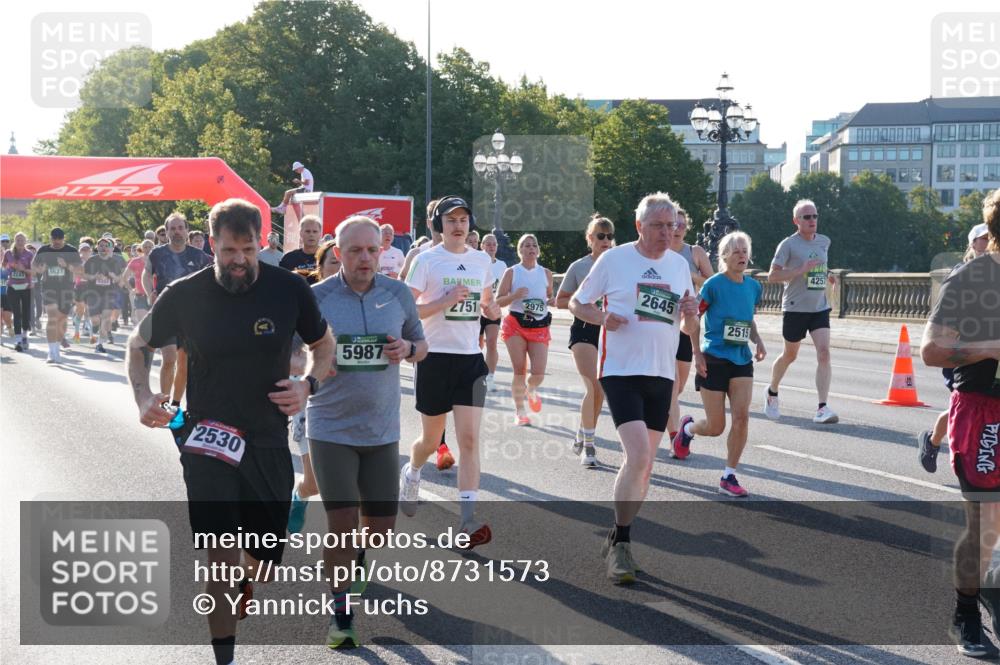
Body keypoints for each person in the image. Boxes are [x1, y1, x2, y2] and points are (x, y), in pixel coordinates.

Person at [128, 198, 334, 665]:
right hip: (208, 437)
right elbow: (137, 343)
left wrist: (309, 385)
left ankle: (248, 571)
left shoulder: (289, 290)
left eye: (247, 249)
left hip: (266, 437)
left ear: (261, 242)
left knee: (263, 554)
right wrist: (143, 397)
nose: (238, 260)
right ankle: (225, 658)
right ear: (212, 245)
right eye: (227, 250)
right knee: (218, 557)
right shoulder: (184, 293)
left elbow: (325, 344)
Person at [307, 216, 427, 648]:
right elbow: (289, 352)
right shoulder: (316, 298)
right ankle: (340, 616)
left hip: (381, 429)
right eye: (355, 250)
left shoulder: (397, 294)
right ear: (337, 253)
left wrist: (407, 349)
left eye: (371, 250)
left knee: (378, 530)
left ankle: (357, 556)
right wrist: (317, 363)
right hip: (330, 426)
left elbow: (421, 343)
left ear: (382, 252)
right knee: (340, 524)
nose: (364, 258)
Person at [570, 192, 699, 584]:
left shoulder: (679, 266)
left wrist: (691, 318)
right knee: (639, 455)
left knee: (644, 467)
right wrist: (602, 316)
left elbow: (688, 327)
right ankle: (622, 545)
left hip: (662, 374)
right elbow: (577, 303)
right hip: (621, 371)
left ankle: (616, 538)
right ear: (640, 226)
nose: (667, 232)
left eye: (672, 225)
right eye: (659, 225)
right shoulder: (615, 259)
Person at [920, 189, 1000, 658]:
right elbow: (931, 352)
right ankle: (964, 615)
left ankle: (989, 584)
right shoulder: (970, 280)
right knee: (984, 521)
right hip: (980, 409)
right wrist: (989, 348)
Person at [399, 196, 500, 547]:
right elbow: (407, 310)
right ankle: (412, 472)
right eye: (451, 219)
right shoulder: (426, 260)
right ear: (437, 225)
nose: (458, 225)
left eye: (463, 219)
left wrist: (491, 308)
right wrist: (444, 301)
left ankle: (468, 521)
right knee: (430, 441)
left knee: (469, 440)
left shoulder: (481, 260)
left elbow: (487, 303)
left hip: (470, 359)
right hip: (434, 359)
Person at [671, 232, 765, 495]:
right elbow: (693, 319)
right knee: (715, 427)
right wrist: (697, 354)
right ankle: (687, 429)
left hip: (741, 359)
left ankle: (729, 476)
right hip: (714, 357)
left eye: (744, 251)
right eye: (736, 251)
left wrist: (758, 340)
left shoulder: (754, 287)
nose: (742, 256)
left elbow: (747, 319)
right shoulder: (713, 285)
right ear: (724, 256)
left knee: (742, 418)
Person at [918, 221, 992, 473]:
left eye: (990, 236)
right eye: (982, 238)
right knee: (959, 406)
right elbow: (937, 338)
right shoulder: (963, 273)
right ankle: (932, 440)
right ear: (973, 244)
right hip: (961, 358)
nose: (988, 241)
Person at [765, 199, 838, 424]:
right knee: (790, 355)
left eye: (815, 216)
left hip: (819, 307)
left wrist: (827, 275)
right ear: (796, 221)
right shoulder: (788, 245)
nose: (812, 220)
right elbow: (772, 276)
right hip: (795, 308)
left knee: (824, 353)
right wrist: (800, 270)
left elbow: (819, 265)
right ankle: (772, 391)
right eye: (807, 217)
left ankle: (822, 407)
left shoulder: (824, 241)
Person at [286, 239, 341, 535]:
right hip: (312, 397)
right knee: (315, 482)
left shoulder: (371, 301)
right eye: (334, 262)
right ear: (319, 269)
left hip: (355, 400)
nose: (341, 268)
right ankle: (301, 495)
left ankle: (349, 553)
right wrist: (309, 365)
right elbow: (287, 353)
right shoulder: (307, 303)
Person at [399, 201, 454, 468]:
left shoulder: (463, 255)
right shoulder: (418, 254)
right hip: (425, 338)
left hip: (457, 341)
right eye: (439, 219)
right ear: (432, 223)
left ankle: (440, 444)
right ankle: (439, 446)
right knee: (435, 406)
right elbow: (403, 290)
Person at [556, 215, 615, 466]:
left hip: (609, 333)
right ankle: (589, 447)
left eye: (609, 236)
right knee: (593, 385)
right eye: (600, 236)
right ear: (589, 239)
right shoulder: (579, 266)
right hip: (583, 330)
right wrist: (586, 305)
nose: (605, 240)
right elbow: (560, 300)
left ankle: (583, 431)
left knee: (601, 390)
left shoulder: (618, 265)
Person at [143, 213, 213, 405]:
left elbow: (212, 283)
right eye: (172, 229)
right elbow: (146, 274)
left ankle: (175, 404)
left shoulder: (200, 257)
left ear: (187, 230)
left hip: (191, 318)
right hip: (165, 313)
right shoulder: (157, 253)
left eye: (180, 228)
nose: (177, 232)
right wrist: (150, 292)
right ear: (166, 232)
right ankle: (164, 402)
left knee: (184, 364)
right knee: (169, 359)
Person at [667, 208, 714, 451]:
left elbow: (713, 281)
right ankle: (676, 438)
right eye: (674, 224)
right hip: (663, 322)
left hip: (689, 322)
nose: (678, 229)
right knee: (671, 384)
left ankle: (663, 414)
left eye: (682, 225)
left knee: (679, 386)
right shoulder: (659, 252)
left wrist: (691, 275)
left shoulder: (694, 252)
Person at [495, 234, 554, 426]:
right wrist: (514, 295)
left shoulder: (546, 273)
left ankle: (531, 388)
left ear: (538, 250)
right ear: (520, 251)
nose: (531, 248)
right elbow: (499, 300)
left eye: (534, 245)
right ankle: (520, 412)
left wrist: (551, 302)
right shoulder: (512, 272)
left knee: (538, 373)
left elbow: (548, 297)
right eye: (526, 246)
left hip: (539, 325)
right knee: (519, 370)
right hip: (516, 325)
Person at [31, 227, 82, 364]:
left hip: (66, 288)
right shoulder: (43, 250)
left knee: (62, 319)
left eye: (60, 239)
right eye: (54, 239)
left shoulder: (71, 250)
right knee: (53, 317)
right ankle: (52, 352)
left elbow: (80, 270)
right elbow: (33, 267)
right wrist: (40, 269)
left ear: (63, 238)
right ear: (50, 238)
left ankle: (57, 345)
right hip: (49, 287)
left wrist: (66, 265)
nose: (57, 242)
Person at [83, 237, 126, 354]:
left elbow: (119, 279)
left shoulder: (114, 262)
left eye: (106, 246)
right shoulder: (91, 260)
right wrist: (93, 277)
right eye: (101, 246)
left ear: (110, 248)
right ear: (97, 247)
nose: (103, 248)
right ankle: (96, 326)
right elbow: (84, 275)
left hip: (109, 293)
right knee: (96, 320)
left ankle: (100, 344)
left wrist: (113, 276)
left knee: (106, 318)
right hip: (93, 293)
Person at [479, 233, 508, 393]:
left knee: (491, 342)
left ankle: (489, 377)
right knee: (477, 344)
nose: (491, 247)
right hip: (477, 309)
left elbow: (504, 288)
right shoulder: (476, 261)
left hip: (494, 308)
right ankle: (475, 374)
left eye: (494, 244)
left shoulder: (502, 265)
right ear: (482, 246)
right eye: (488, 244)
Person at [2, 232, 34, 353]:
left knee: (25, 312)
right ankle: (18, 340)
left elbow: (33, 271)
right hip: (12, 287)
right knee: (16, 313)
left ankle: (25, 336)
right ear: (14, 241)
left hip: (26, 286)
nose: (20, 242)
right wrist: (9, 268)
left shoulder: (29, 254)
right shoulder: (8, 253)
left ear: (25, 241)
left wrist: (23, 269)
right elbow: (4, 265)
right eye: (18, 240)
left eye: (22, 240)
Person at [123, 239, 155, 325]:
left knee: (154, 324)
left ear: (154, 248)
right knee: (143, 323)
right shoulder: (135, 261)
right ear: (142, 248)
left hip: (154, 296)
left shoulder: (158, 260)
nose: (148, 249)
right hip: (140, 296)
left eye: (150, 247)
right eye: (145, 247)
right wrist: (131, 289)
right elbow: (124, 277)